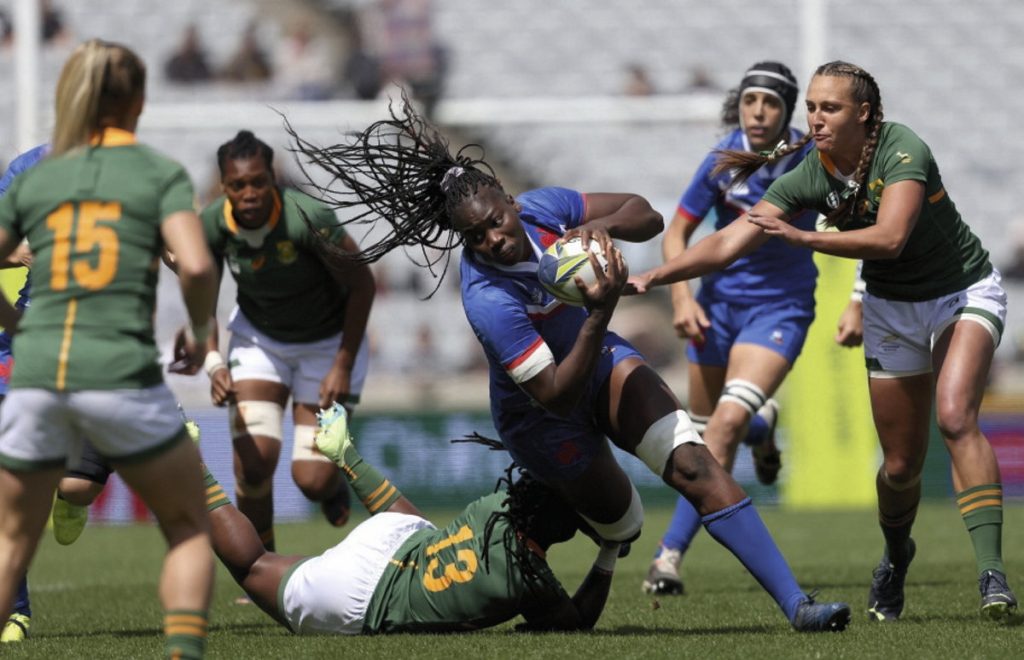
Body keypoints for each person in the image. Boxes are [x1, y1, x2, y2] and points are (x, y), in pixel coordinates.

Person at [284, 96, 852, 632]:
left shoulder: (544, 209)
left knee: (694, 467)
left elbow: (647, 216)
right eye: (475, 237)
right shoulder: (486, 297)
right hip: (540, 419)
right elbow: (554, 392)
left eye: (494, 222)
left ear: (508, 199)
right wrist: (598, 313)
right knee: (622, 524)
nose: (492, 239)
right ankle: (566, 537)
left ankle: (797, 605)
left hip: (600, 363)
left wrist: (599, 230)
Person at [630, 60, 1017, 622]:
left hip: (962, 291)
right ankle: (895, 555)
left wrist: (802, 235)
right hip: (893, 309)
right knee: (902, 466)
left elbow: (889, 238)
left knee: (956, 417)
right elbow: (728, 242)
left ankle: (992, 577)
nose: (815, 117)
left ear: (864, 113)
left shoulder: (902, 149)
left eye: (829, 107)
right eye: (811, 107)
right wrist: (656, 280)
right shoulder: (808, 170)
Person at [0, 40, 218, 658]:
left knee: (13, 534)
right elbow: (197, 267)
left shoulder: (35, 172)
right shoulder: (154, 173)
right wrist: (201, 331)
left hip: (40, 362)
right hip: (116, 359)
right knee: (184, 525)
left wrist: (17, 327)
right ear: (139, 103)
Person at [642, 62, 863, 597]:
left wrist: (858, 298)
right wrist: (681, 295)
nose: (758, 111)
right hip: (715, 309)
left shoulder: (813, 157)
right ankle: (763, 430)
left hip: (779, 310)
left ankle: (667, 557)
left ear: (786, 110)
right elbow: (679, 233)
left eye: (769, 102)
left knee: (720, 427)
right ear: (739, 106)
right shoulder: (722, 159)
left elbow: (867, 225)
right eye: (749, 101)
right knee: (701, 428)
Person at [198, 402, 618, 633]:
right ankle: (191, 467)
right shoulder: (530, 582)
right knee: (252, 565)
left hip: (393, 542)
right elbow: (575, 622)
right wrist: (609, 550)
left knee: (421, 530)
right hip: (363, 598)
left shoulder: (495, 508)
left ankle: (347, 457)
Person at [171, 130, 375, 553]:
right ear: (223, 186)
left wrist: (342, 362)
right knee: (253, 463)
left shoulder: (308, 219)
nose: (249, 193)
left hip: (328, 343)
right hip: (260, 338)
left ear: (273, 178)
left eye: (258, 181)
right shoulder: (212, 223)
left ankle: (332, 486)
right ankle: (262, 568)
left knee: (311, 480)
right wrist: (213, 362)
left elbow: (362, 285)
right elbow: (202, 294)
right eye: (238, 185)